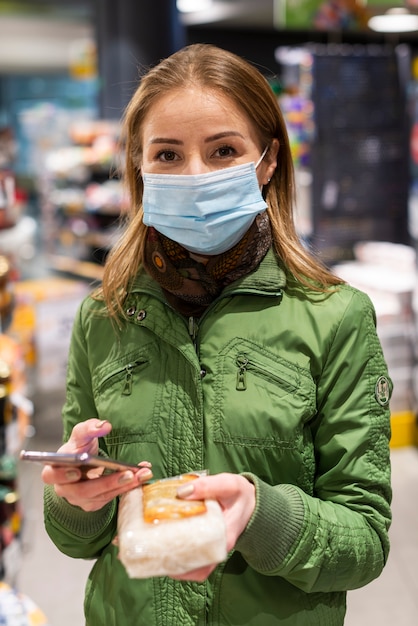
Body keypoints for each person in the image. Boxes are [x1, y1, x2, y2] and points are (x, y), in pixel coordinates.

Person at [41, 43, 392, 626]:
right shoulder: (103, 317)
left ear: (269, 160)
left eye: (224, 149)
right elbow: (78, 541)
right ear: (140, 166)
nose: (195, 175)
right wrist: (73, 499)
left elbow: (365, 542)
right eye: (168, 154)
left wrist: (260, 513)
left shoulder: (335, 317)